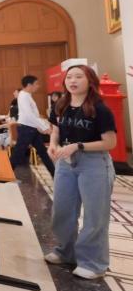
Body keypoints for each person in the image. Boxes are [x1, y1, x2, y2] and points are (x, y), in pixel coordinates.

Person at [44, 65, 117, 279]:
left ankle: (93, 263)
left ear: (90, 81)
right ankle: (65, 252)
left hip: (93, 163)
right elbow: (55, 129)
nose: (72, 81)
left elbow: (110, 142)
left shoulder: (99, 109)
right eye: (69, 77)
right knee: (62, 210)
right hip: (65, 162)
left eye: (78, 77)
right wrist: (52, 144)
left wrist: (78, 146)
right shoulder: (61, 104)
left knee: (95, 214)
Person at [10, 75, 55, 176]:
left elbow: (33, 115)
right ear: (29, 85)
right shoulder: (23, 96)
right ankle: (5, 177)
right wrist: (44, 127)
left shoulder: (26, 95)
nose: (38, 86)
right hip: (26, 129)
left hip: (31, 128)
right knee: (18, 154)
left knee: (43, 152)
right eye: (36, 84)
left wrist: (40, 126)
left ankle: (54, 175)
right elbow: (29, 115)